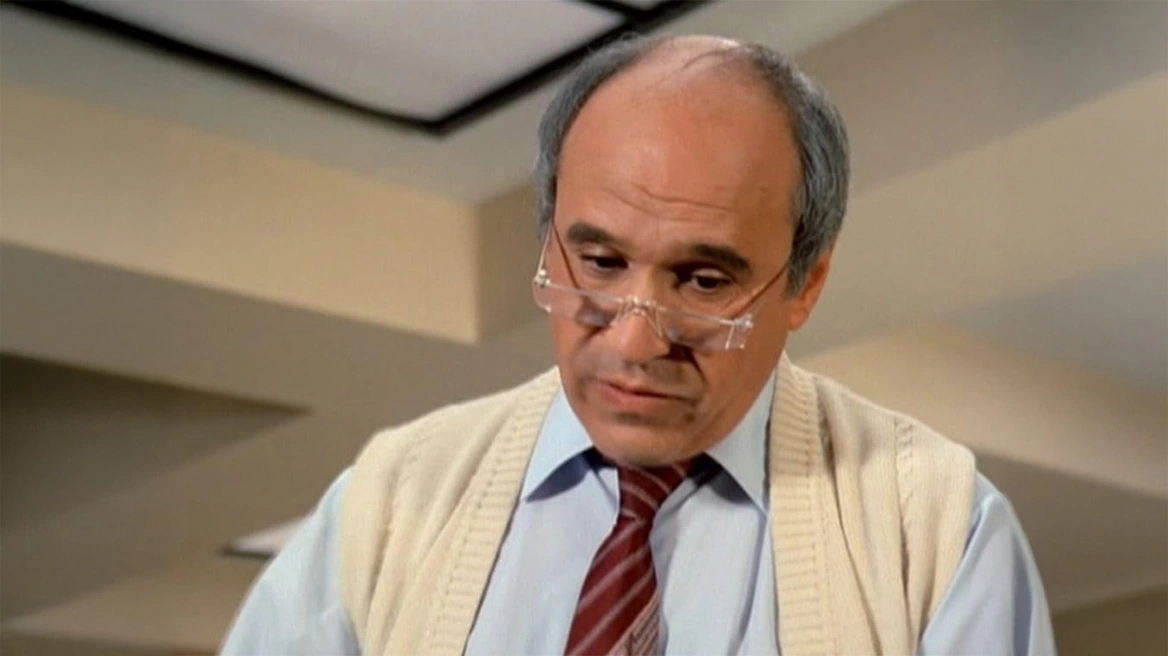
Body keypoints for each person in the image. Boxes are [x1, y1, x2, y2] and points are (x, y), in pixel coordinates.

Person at [220, 35, 1055, 656]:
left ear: (806, 283)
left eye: (703, 281)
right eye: (599, 263)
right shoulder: (393, 501)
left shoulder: (936, 531)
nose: (633, 340)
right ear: (548, 239)